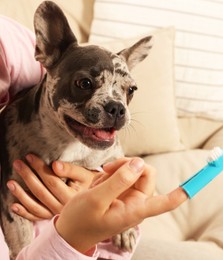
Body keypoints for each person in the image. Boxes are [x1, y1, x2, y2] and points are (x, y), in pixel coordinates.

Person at [0, 15, 188, 259]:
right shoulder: (16, 127)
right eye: (85, 84)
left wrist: (105, 198)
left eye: (127, 91)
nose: (117, 107)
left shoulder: (13, 50)